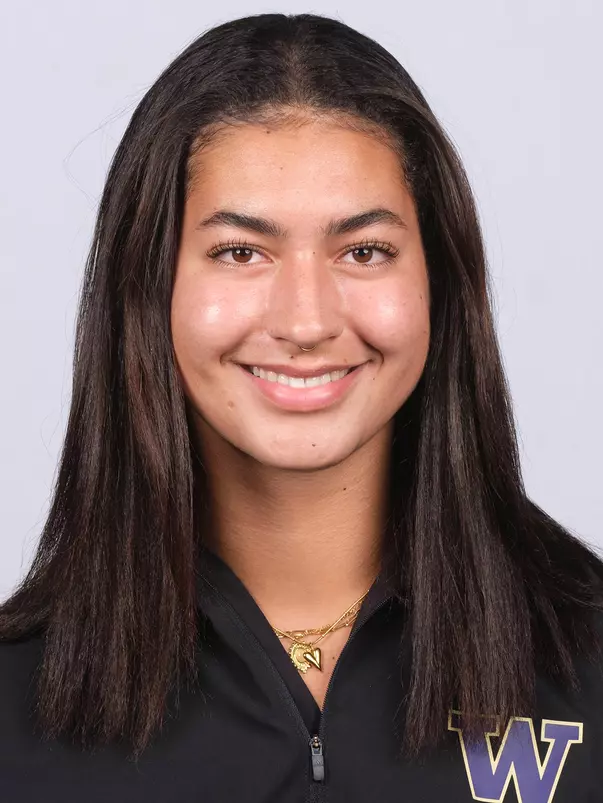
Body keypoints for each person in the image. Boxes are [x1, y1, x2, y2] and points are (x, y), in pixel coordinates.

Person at [1, 11, 602, 802]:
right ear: (148, 289)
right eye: (240, 252)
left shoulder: (585, 660)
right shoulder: (14, 709)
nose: (306, 320)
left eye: (363, 251)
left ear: (438, 285)